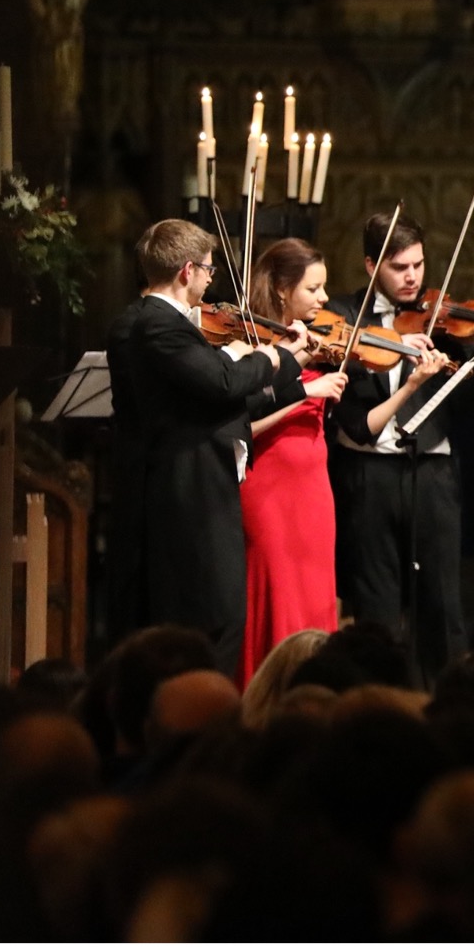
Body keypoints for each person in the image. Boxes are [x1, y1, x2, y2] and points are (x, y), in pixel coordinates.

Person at [105, 220, 314, 675]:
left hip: (192, 489)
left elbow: (213, 398)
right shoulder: (158, 325)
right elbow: (221, 383)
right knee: (214, 620)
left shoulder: (156, 324)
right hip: (190, 494)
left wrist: (284, 367)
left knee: (210, 617)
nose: (210, 279)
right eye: (207, 270)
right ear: (186, 271)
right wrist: (269, 356)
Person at [326, 212, 474, 685]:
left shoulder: (445, 320)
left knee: (441, 601)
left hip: (431, 473)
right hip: (368, 475)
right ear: (371, 267)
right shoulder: (346, 320)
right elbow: (348, 408)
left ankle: (446, 704)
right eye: (398, 267)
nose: (412, 277)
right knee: (377, 606)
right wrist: (393, 349)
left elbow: (472, 409)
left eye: (418, 265)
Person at [235, 239, 350, 684]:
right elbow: (243, 425)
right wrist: (306, 390)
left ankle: (316, 699)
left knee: (315, 599)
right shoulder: (250, 345)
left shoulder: (314, 340)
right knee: (277, 595)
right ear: (283, 290)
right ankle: (267, 700)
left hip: (314, 492)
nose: (325, 299)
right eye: (314, 289)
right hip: (268, 490)